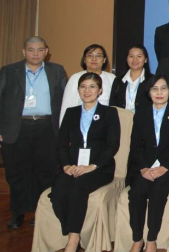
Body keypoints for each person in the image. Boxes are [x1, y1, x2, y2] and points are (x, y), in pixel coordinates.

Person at [0, 36, 67, 229]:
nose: (35, 54)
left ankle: (41, 212)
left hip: (47, 127)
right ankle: (17, 213)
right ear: (23, 52)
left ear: (46, 51)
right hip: (16, 128)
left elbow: (65, 102)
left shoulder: (57, 71)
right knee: (16, 172)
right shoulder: (9, 71)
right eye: (31, 50)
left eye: (39, 50)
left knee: (45, 172)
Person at [51, 73, 120, 252]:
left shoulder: (109, 113)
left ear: (100, 91)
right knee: (57, 192)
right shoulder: (71, 113)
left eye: (92, 87)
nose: (87, 90)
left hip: (99, 168)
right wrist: (66, 165)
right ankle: (70, 229)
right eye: (83, 87)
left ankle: (73, 239)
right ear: (78, 90)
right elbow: (61, 144)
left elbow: (113, 145)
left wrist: (92, 166)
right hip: (73, 166)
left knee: (77, 187)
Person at [128, 75, 169, 252]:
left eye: (163, 88)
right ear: (148, 92)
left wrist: (164, 167)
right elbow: (135, 146)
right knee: (136, 192)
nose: (159, 92)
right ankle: (137, 239)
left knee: (157, 190)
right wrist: (143, 168)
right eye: (154, 89)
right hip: (146, 168)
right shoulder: (141, 115)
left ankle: (151, 240)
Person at [59, 44, 118, 124]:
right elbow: (66, 105)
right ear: (84, 59)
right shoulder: (75, 78)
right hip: (78, 122)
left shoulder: (112, 79)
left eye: (98, 56)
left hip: (106, 123)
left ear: (104, 60)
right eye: (90, 55)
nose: (94, 59)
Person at [110, 45, 152, 113]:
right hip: (122, 118)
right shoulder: (118, 80)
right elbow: (112, 104)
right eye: (131, 56)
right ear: (127, 59)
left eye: (139, 56)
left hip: (144, 118)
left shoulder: (152, 80)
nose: (135, 60)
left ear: (145, 59)